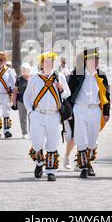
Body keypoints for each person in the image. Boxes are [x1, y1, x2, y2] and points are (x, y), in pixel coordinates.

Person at [23, 52, 70, 181]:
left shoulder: (59, 76)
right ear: (42, 64)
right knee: (37, 143)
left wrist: (61, 89)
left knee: (52, 143)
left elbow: (67, 93)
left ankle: (51, 171)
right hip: (38, 114)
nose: (49, 64)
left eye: (51, 61)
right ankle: (39, 163)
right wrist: (30, 112)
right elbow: (26, 96)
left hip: (54, 115)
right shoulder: (34, 78)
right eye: (46, 61)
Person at [68, 48, 110, 178]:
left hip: (95, 109)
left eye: (97, 59)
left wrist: (106, 112)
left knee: (93, 141)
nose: (96, 61)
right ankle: (85, 167)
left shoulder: (101, 74)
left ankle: (88, 162)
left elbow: (106, 94)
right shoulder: (77, 73)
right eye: (93, 59)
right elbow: (69, 93)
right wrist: (68, 111)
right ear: (86, 61)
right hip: (80, 108)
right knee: (81, 139)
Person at [12, 63, 32, 139]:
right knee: (22, 117)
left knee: (32, 117)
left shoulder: (33, 78)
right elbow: (15, 90)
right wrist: (13, 99)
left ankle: (32, 132)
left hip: (31, 101)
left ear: (28, 70)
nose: (23, 71)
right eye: (22, 70)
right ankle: (24, 133)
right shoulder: (19, 79)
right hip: (21, 100)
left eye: (24, 70)